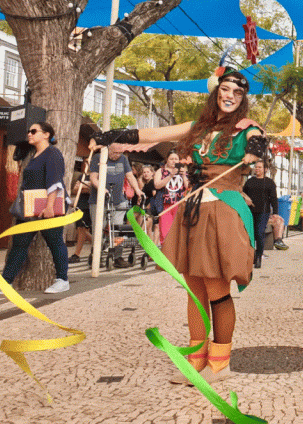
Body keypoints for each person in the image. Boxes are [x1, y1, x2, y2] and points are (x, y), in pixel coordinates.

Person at [90, 66, 266, 384]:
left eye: (237, 93)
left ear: (242, 100)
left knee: (216, 289)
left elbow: (257, 140)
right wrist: (111, 137)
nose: (230, 96)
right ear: (216, 92)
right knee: (193, 289)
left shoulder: (245, 128)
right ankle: (197, 363)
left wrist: (255, 151)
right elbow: (153, 134)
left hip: (223, 210)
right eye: (225, 89)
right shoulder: (197, 127)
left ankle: (220, 363)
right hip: (193, 211)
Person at [0, 122, 70, 295]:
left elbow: (55, 180)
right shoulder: (34, 154)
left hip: (48, 207)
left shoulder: (53, 153)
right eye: (28, 131)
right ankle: (5, 283)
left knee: (55, 241)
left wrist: (50, 206)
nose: (29, 134)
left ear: (46, 134)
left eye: (34, 131)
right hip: (30, 206)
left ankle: (62, 280)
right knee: (19, 244)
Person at [89, 143, 143, 268]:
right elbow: (93, 177)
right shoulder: (99, 157)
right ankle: (96, 256)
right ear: (108, 150)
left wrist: (137, 190)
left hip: (118, 200)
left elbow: (130, 176)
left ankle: (117, 256)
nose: (117, 155)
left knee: (118, 229)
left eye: (120, 152)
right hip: (99, 200)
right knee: (99, 229)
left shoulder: (123, 159)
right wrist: (101, 188)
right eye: (115, 153)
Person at [242, 160, 278, 269]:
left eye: (260, 167)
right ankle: (252, 255)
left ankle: (259, 256)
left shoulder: (269, 182)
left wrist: (275, 213)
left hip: (263, 211)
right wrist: (245, 201)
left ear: (265, 169)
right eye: (256, 167)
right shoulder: (249, 181)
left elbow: (273, 199)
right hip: (250, 211)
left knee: (259, 232)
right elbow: (243, 194)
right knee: (250, 234)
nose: (257, 169)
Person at [154, 150, 188, 245]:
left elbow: (188, 187)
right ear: (167, 160)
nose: (174, 161)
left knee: (179, 230)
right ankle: (166, 252)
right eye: (171, 159)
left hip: (179, 204)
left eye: (176, 159)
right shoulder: (160, 171)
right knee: (165, 231)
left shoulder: (183, 171)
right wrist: (170, 175)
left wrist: (184, 175)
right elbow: (157, 185)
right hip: (165, 204)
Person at [68, 159, 92, 263]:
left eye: (88, 162)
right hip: (80, 204)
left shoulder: (96, 175)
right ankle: (77, 254)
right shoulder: (81, 176)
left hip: (89, 205)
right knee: (80, 229)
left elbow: (92, 190)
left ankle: (99, 246)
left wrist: (82, 187)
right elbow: (74, 189)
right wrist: (83, 187)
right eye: (85, 162)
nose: (85, 165)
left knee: (84, 230)